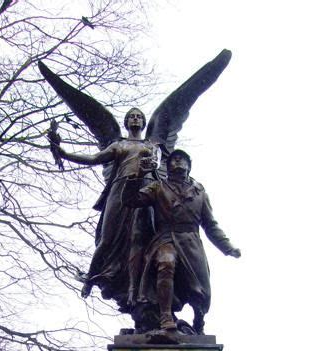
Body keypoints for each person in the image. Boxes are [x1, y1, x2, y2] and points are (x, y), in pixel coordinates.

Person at [122, 149, 240, 333]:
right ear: (168, 166)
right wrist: (138, 175)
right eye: (174, 160)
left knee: (200, 291)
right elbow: (130, 200)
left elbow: (210, 225)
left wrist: (228, 247)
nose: (177, 162)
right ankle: (166, 315)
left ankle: (199, 319)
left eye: (182, 159)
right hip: (166, 237)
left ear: (189, 166)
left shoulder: (200, 192)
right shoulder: (158, 187)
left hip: (191, 241)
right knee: (165, 263)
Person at [55, 108, 160, 304]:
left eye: (138, 116)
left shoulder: (151, 145)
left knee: (141, 239)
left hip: (144, 190)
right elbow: (94, 159)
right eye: (131, 116)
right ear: (126, 122)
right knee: (106, 239)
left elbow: (156, 165)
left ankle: (136, 289)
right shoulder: (119, 145)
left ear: (144, 122)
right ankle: (90, 278)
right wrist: (64, 153)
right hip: (119, 190)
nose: (135, 118)